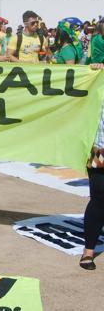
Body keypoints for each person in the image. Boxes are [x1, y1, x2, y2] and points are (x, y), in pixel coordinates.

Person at [80, 62, 104, 270]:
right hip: (100, 150)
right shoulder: (98, 76)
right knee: (99, 199)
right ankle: (88, 250)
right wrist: (91, 71)